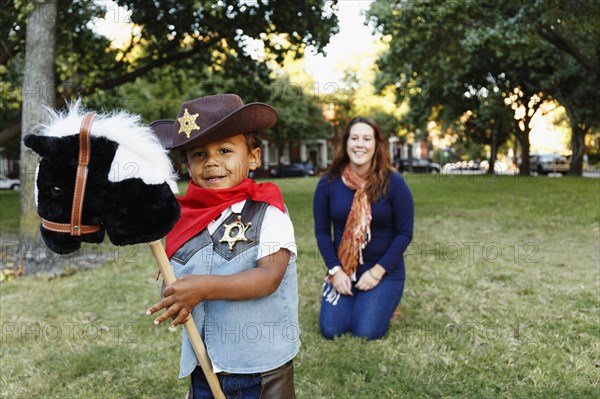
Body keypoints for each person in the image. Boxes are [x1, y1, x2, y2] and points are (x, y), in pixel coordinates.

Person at [146, 94, 299, 399]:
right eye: (199, 154)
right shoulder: (181, 218)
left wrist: (202, 288)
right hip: (205, 363)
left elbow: (268, 278)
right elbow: (178, 278)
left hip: (259, 370)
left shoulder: (268, 210)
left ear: (253, 157)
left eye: (225, 150)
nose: (212, 162)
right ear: (187, 164)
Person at [313, 116, 414, 340]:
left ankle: (384, 301)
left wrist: (378, 272)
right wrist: (335, 271)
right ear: (346, 143)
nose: (360, 144)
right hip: (345, 269)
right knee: (331, 330)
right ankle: (362, 301)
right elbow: (322, 233)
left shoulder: (393, 182)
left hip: (384, 271)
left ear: (377, 145)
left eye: (367, 139)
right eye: (354, 138)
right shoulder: (328, 183)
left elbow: (404, 233)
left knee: (366, 332)